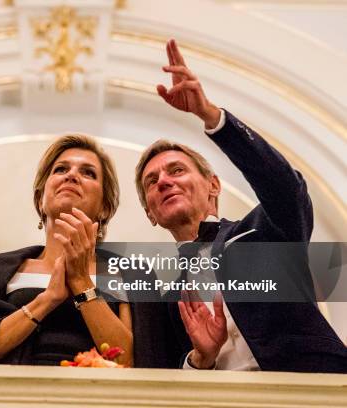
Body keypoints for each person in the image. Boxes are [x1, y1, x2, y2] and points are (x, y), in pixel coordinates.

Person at [134, 39, 347, 372]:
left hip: (310, 389)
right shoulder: (160, 293)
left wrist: (211, 116)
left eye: (177, 170)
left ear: (213, 185)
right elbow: (158, 372)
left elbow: (287, 187)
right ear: (150, 212)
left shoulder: (265, 231)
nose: (163, 181)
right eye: (152, 181)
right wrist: (199, 360)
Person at [0, 134, 179, 367]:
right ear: (40, 200)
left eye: (88, 173)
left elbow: (137, 363)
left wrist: (81, 282)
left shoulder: (132, 274)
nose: (72, 175)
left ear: (105, 207)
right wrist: (47, 300)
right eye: (60, 169)